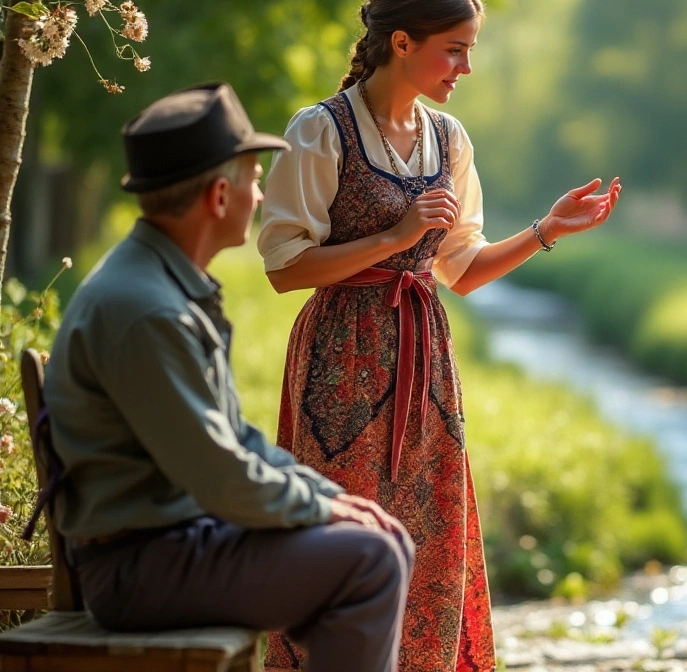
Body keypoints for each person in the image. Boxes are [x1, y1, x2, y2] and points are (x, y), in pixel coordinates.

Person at [256, 0, 620, 671]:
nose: (467, 66)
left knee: (432, 537)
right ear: (400, 42)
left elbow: (461, 270)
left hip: (426, 367)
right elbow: (283, 268)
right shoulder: (320, 132)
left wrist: (548, 228)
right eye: (454, 47)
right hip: (343, 362)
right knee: (343, 535)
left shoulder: (449, 140)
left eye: (470, 48)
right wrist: (392, 239)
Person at [42, 83, 414, 672]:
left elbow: (236, 438)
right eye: (253, 178)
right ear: (220, 195)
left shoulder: (161, 284)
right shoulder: (147, 310)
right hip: (142, 566)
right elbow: (222, 476)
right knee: (370, 560)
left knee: (381, 541)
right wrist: (326, 512)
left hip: (178, 541)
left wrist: (333, 499)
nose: (262, 193)